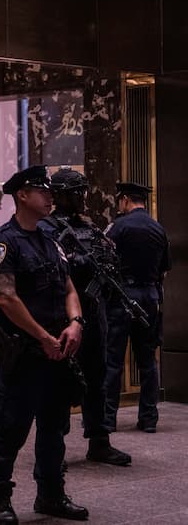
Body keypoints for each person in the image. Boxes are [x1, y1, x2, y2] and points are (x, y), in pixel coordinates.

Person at [0, 165, 88, 523]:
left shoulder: (50, 241)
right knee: (11, 428)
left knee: (54, 428)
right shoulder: (2, 243)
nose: (49, 197)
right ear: (22, 196)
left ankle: (51, 494)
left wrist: (74, 324)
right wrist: (43, 337)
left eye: (50, 191)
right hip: (25, 354)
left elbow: (69, 287)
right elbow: (7, 298)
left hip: (58, 352)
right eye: (41, 191)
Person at [38, 168, 131, 466]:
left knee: (98, 377)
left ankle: (99, 440)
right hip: (65, 315)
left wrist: (107, 263)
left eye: (83, 191)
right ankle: (56, 445)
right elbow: (50, 269)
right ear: (62, 195)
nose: (82, 198)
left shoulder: (90, 228)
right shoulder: (46, 228)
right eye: (76, 192)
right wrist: (80, 263)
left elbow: (109, 262)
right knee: (61, 380)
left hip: (95, 311)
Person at [103, 181, 171, 433]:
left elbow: (104, 263)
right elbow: (164, 270)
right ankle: (149, 418)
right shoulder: (158, 229)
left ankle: (108, 419)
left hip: (122, 298)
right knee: (148, 361)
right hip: (150, 298)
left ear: (124, 200)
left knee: (113, 361)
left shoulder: (117, 227)